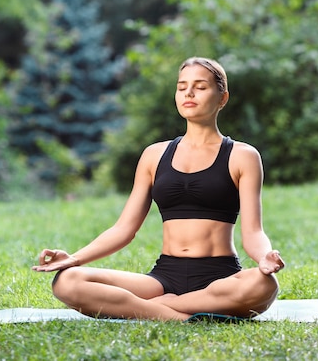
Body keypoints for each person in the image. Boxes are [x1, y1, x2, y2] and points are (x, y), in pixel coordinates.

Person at [33, 56, 285, 321]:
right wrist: (74, 259)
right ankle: (177, 314)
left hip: (219, 277)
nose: (188, 92)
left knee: (264, 286)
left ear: (222, 98)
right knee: (67, 281)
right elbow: (123, 229)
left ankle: (155, 309)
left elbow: (253, 232)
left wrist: (264, 258)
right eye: (181, 86)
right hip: (163, 278)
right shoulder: (154, 155)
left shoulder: (242, 155)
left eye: (200, 87)